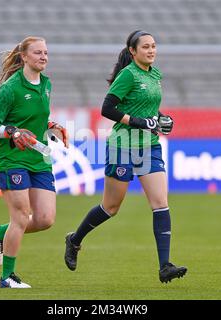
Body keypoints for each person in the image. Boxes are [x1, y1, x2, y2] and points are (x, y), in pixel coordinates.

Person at [64, 30, 187, 283]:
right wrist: (141, 121)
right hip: (122, 146)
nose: (151, 50)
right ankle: (74, 240)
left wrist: (161, 119)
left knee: (160, 202)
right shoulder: (128, 74)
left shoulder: (155, 74)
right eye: (145, 47)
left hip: (149, 146)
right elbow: (107, 108)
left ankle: (165, 266)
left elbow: (147, 107)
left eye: (153, 46)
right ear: (133, 51)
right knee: (111, 207)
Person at [0, 36, 68, 288]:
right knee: (21, 216)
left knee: (44, 219)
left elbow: (36, 118)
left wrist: (51, 126)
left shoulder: (47, 84)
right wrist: (11, 131)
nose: (44, 57)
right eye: (38, 52)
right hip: (11, 159)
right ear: (24, 57)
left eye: (46, 53)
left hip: (39, 159)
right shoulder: (10, 88)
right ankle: (7, 277)